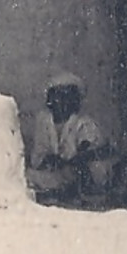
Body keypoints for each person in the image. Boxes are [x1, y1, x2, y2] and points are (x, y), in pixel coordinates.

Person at [27, 72, 116, 204]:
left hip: (76, 171)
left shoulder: (84, 123)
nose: (61, 102)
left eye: (67, 97)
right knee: (31, 176)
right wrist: (50, 159)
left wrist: (78, 157)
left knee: (88, 172)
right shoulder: (43, 122)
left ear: (75, 100)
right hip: (57, 173)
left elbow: (93, 149)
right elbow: (38, 154)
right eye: (57, 96)